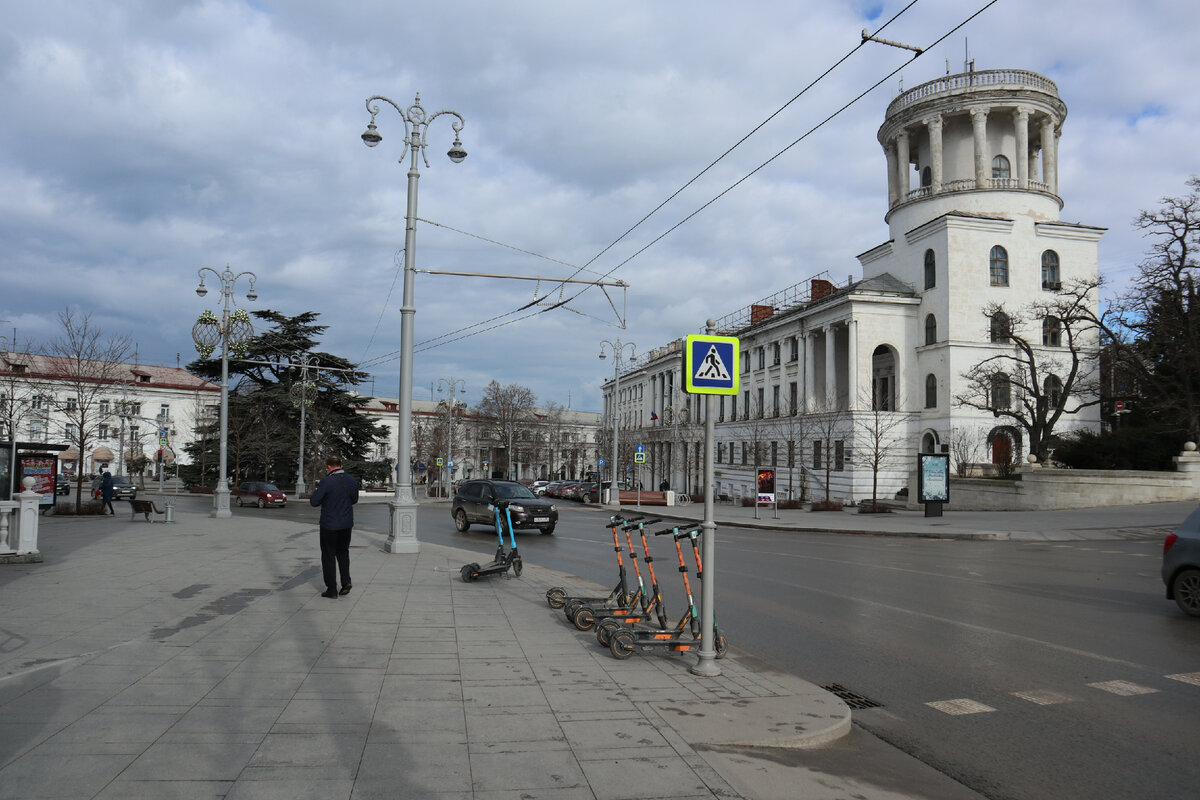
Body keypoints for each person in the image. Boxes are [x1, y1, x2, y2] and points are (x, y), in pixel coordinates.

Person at [309, 455, 359, 599]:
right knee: (343, 553)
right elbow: (354, 499)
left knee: (328, 556)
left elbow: (314, 502)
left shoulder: (327, 481)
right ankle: (346, 582)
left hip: (329, 525)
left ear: (329, 466)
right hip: (346, 525)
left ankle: (331, 589)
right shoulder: (351, 480)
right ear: (340, 465)